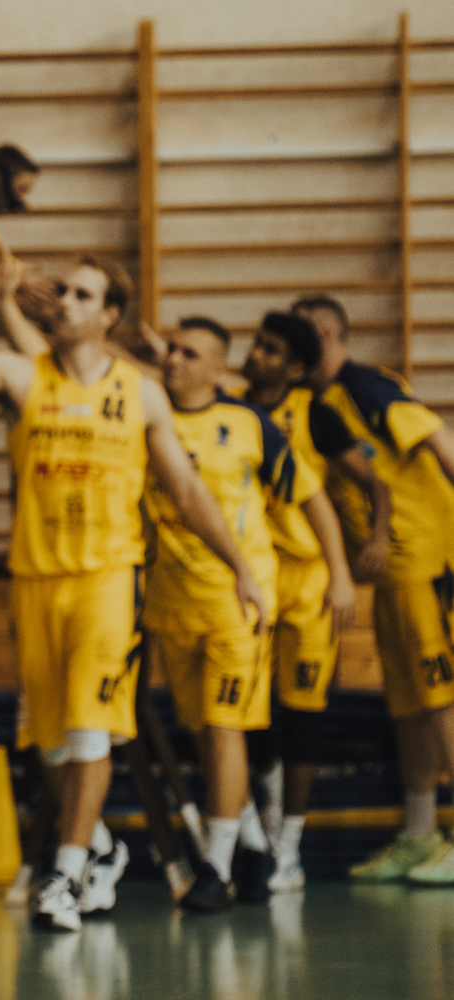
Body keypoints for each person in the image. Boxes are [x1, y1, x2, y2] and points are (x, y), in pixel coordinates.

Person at [0, 258, 266, 931]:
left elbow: (188, 491)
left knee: (90, 730)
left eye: (82, 294)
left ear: (109, 315)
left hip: (108, 580)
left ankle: (63, 876)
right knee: (50, 743)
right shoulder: (24, 374)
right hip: (35, 581)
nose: (65, 301)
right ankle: (98, 845)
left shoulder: (142, 394)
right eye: (62, 290)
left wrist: (240, 566)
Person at [143, 316, 354, 912]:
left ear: (217, 369)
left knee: (225, 726)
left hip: (237, 600)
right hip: (171, 601)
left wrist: (339, 571)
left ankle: (217, 866)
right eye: (171, 349)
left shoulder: (247, 423)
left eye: (190, 353)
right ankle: (255, 844)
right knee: (201, 730)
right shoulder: (145, 418)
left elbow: (311, 496)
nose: (174, 360)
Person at [296, 294, 454, 886]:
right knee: (408, 705)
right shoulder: (314, 406)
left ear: (326, 336)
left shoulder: (367, 387)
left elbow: (439, 440)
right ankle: (420, 833)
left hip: (426, 561)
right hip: (390, 575)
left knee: (442, 700)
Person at [237, 310, 392, 892]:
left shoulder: (315, 415)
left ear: (295, 368)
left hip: (307, 580)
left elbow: (375, 483)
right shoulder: (231, 411)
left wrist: (371, 544)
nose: (256, 353)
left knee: (304, 715)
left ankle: (290, 845)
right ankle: (267, 813)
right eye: (257, 343)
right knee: (248, 717)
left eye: (270, 349)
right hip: (252, 577)